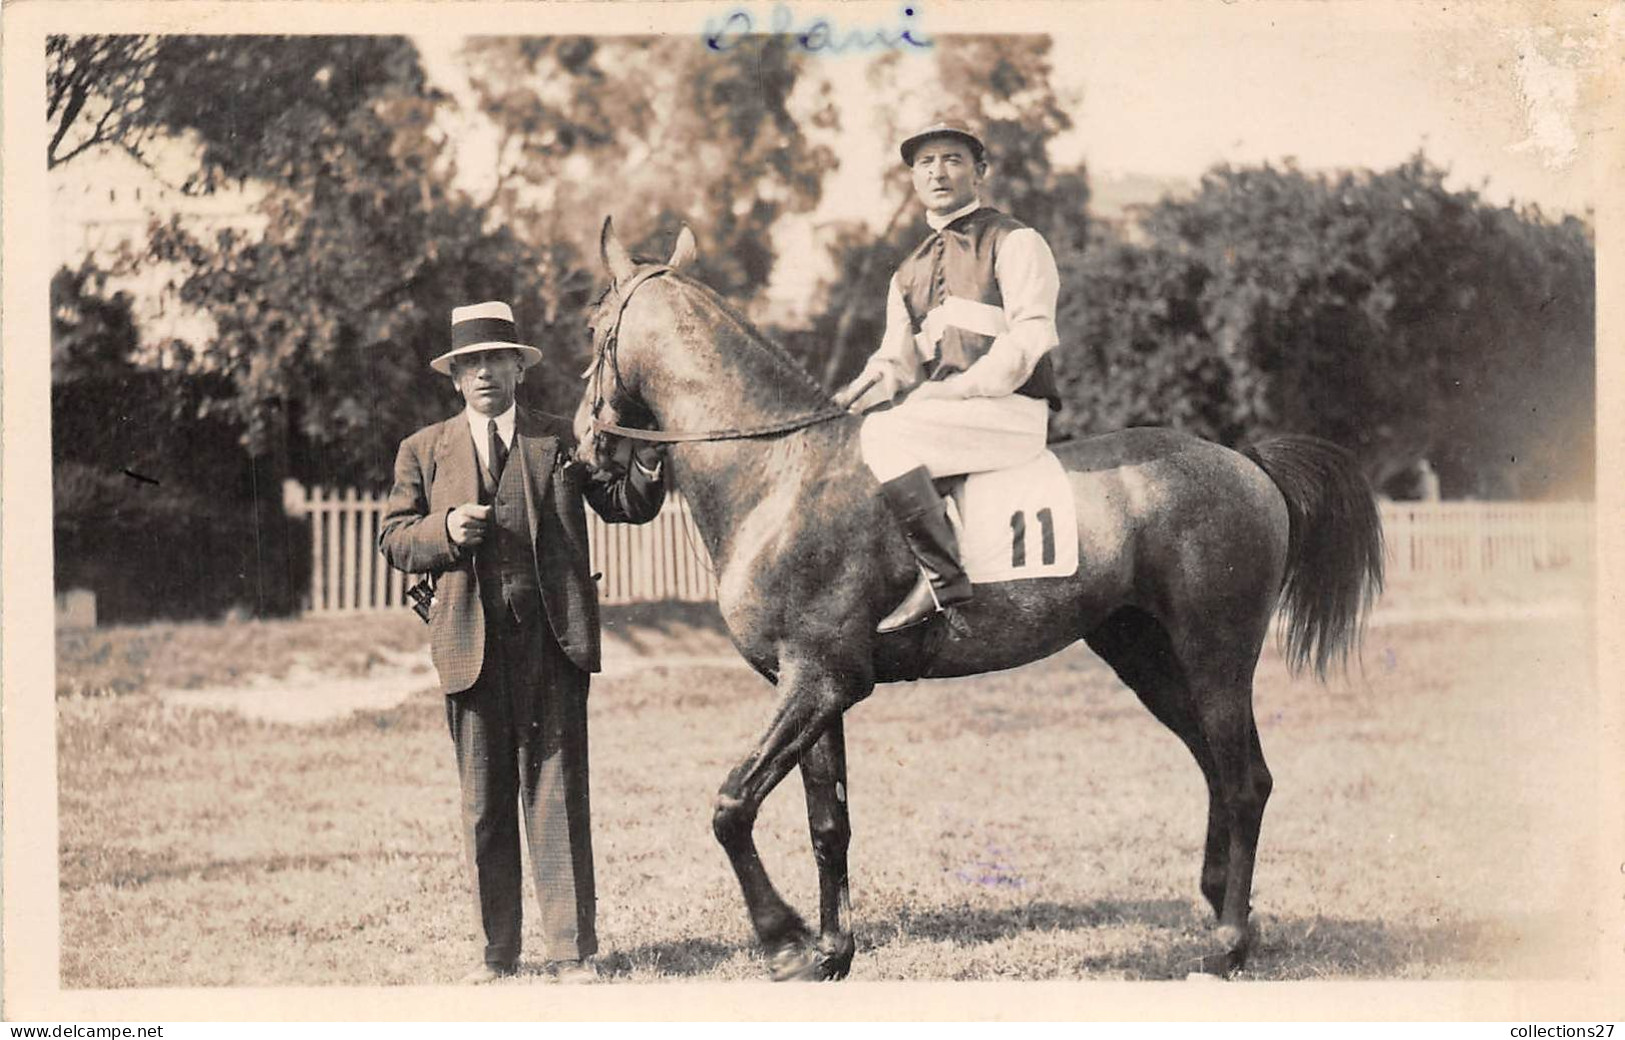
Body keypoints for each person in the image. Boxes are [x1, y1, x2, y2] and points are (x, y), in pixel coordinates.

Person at [379, 301, 666, 984]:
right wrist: (443, 530)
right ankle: (497, 955)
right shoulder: (423, 449)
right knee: (484, 802)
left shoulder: (560, 439)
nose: (484, 373)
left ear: (518, 367)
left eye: (495, 359)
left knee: (557, 792)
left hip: (552, 640)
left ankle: (569, 952)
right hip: (468, 646)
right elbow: (394, 538)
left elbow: (624, 503)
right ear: (455, 378)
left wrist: (649, 456)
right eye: (470, 363)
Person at [832, 119, 1063, 633]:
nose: (938, 172)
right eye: (925, 163)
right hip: (947, 417)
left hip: (1010, 412)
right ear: (913, 179)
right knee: (856, 433)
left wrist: (954, 390)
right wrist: (841, 402)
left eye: (952, 159)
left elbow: (1028, 341)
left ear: (979, 172)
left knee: (886, 432)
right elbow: (893, 366)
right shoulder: (906, 272)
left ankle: (942, 579)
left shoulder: (1016, 240)